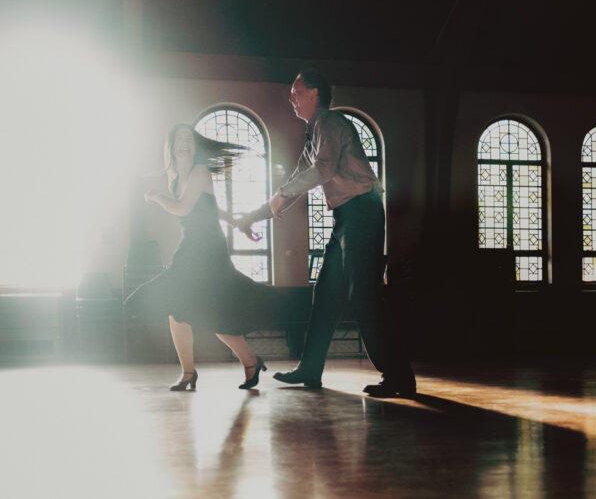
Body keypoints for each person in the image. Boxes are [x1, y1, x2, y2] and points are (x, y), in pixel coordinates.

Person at [235, 70, 415, 396]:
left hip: (362, 213)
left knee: (364, 296)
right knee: (326, 294)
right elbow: (294, 183)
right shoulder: (315, 132)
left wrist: (275, 200)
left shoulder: (330, 122)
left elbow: (322, 170)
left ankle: (399, 376)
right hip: (346, 218)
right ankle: (310, 369)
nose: (291, 98)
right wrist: (254, 215)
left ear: (315, 93)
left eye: (296, 91)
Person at [125, 124, 278, 390]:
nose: (185, 143)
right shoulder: (175, 176)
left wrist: (157, 196)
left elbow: (183, 208)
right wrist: (238, 223)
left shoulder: (199, 171)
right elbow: (212, 208)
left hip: (208, 250)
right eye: (180, 139)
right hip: (192, 247)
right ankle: (190, 373)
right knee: (182, 310)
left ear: (195, 147)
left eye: (189, 140)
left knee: (210, 313)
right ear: (171, 146)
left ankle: (248, 361)